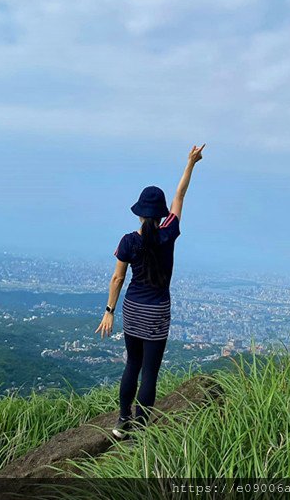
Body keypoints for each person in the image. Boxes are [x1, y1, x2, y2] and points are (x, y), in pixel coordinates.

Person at [95, 143, 206, 439]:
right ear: (160, 214)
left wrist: (109, 311)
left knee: (132, 363)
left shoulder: (129, 241)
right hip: (157, 310)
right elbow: (180, 196)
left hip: (132, 308)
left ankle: (122, 421)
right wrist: (190, 163)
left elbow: (118, 279)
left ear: (140, 213)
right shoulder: (168, 233)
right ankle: (141, 430)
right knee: (150, 371)